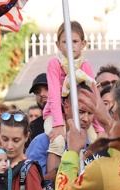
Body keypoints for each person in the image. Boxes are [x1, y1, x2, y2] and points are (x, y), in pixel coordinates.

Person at [43, 21, 103, 159]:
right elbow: (54, 95)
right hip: (55, 115)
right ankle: (53, 173)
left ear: (83, 44)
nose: (70, 46)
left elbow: (94, 98)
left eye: (75, 41)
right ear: (58, 45)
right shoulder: (54, 64)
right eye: (65, 42)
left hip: (81, 115)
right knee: (58, 141)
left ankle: (88, 170)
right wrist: (58, 124)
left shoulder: (85, 66)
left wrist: (99, 128)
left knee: (97, 142)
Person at [28, 73, 48, 143]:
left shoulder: (72, 120)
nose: (42, 94)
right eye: (37, 92)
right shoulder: (32, 128)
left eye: (47, 89)